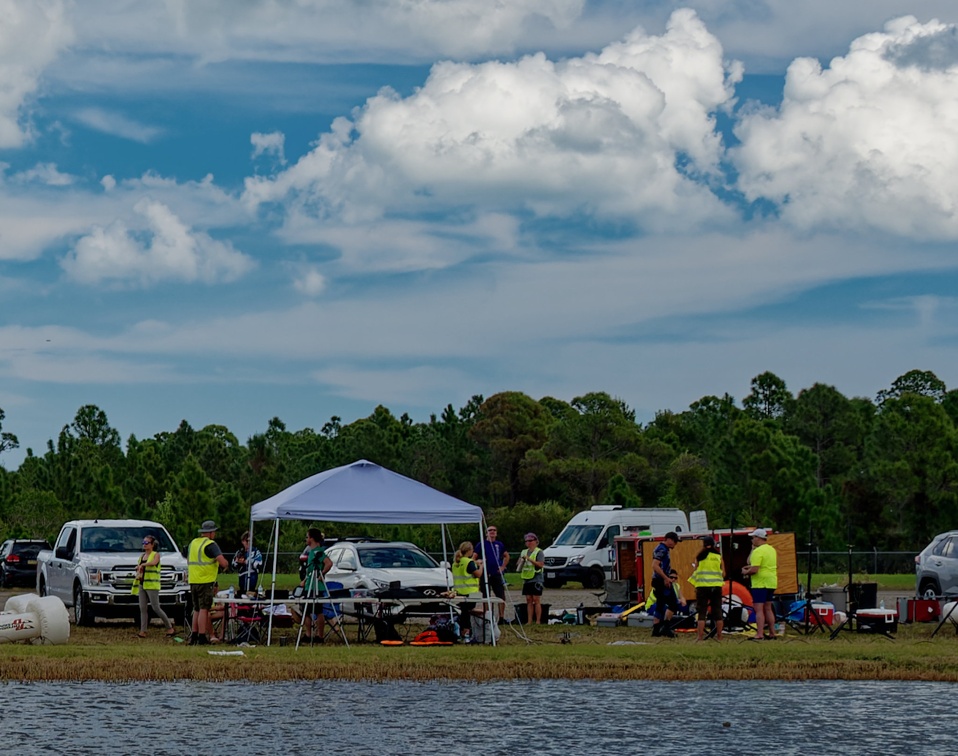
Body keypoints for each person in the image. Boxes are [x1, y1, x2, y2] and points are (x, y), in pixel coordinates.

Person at [187, 520, 230, 646]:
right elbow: (222, 562)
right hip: (205, 581)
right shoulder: (211, 544)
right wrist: (226, 565)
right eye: (214, 532)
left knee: (196, 609)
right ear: (210, 533)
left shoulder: (193, 543)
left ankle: (193, 636)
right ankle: (201, 637)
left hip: (193, 580)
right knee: (204, 609)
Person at [291, 528, 332, 642]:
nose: (306, 539)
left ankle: (320, 635)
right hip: (309, 584)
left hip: (316, 587)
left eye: (307, 537)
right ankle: (308, 634)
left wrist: (321, 574)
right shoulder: (311, 552)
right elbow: (310, 570)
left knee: (318, 611)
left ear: (312, 538)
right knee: (306, 610)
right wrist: (305, 580)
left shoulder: (318, 552)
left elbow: (329, 563)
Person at [133, 535, 176, 639]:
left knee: (156, 607)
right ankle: (143, 631)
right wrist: (138, 568)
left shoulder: (155, 555)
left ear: (152, 545)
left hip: (152, 585)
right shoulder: (142, 556)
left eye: (147, 543)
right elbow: (141, 567)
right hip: (142, 584)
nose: (144, 545)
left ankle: (169, 627)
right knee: (142, 608)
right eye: (143, 543)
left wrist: (143, 565)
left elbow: (154, 563)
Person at [742, 528, 778, 640]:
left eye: (753, 538)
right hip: (771, 581)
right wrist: (752, 550)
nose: (752, 540)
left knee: (758, 609)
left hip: (760, 583)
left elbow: (754, 569)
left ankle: (760, 634)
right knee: (768, 608)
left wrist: (745, 572)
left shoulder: (759, 551)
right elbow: (750, 562)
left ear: (758, 538)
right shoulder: (771, 549)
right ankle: (772, 633)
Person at [690, 535, 725, 641]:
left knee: (702, 612)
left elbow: (695, 571)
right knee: (718, 612)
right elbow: (723, 573)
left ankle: (700, 637)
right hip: (716, 587)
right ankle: (719, 636)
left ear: (703, 544)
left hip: (702, 587)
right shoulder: (718, 557)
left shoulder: (699, 557)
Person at [475, 525, 509, 621]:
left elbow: (506, 556)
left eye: (494, 530)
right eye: (490, 530)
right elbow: (474, 557)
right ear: (486, 533)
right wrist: (479, 563)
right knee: (486, 595)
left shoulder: (499, 544)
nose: (492, 532)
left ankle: (501, 617)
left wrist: (503, 567)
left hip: (496, 573)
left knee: (501, 595)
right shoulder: (481, 544)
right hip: (485, 573)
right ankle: (487, 615)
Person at [452, 541, 484, 642]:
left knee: (464, 612)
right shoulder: (468, 562)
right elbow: (477, 574)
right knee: (467, 612)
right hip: (470, 591)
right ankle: (466, 631)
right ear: (469, 550)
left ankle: (462, 630)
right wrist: (481, 566)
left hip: (459, 591)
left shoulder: (456, 562)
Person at [650, 532, 680, 638]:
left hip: (659, 580)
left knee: (660, 604)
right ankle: (665, 627)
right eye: (674, 541)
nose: (675, 544)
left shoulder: (663, 549)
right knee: (673, 603)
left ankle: (656, 630)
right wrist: (666, 578)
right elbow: (655, 565)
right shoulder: (662, 549)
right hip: (661, 581)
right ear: (669, 539)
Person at [517, 533, 545, 625]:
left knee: (536, 599)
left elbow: (540, 564)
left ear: (535, 541)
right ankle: (529, 621)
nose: (528, 543)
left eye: (530, 541)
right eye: (527, 541)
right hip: (526, 577)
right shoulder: (523, 552)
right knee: (528, 599)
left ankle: (538, 620)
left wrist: (529, 559)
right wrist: (521, 561)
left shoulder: (539, 552)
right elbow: (518, 565)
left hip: (536, 577)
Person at [232, 531, 264, 595]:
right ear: (242, 541)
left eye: (250, 541)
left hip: (252, 576)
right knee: (242, 594)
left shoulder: (256, 552)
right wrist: (238, 562)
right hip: (242, 577)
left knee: (250, 594)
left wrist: (246, 562)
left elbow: (259, 564)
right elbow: (233, 565)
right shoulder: (239, 552)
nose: (248, 543)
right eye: (246, 541)